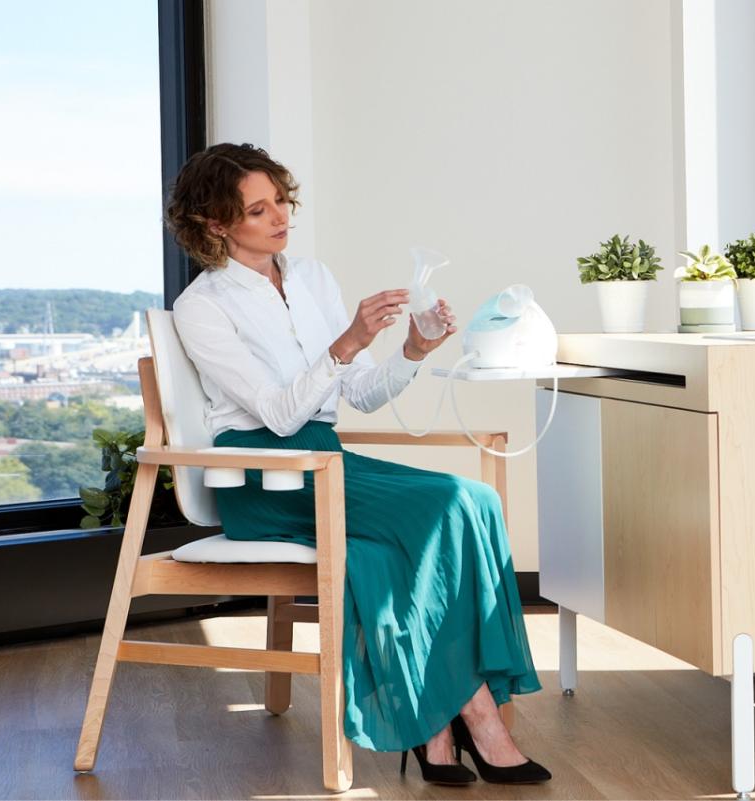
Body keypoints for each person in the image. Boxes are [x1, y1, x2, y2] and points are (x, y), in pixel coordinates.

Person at [165, 142, 549, 786]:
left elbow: (362, 392)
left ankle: (438, 728)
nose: (280, 216)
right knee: (446, 506)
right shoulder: (202, 306)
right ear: (216, 224)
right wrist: (347, 342)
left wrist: (411, 349)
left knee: (470, 502)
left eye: (281, 201)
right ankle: (479, 716)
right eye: (257, 210)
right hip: (264, 475)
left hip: (326, 458)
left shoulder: (313, 277)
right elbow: (279, 416)